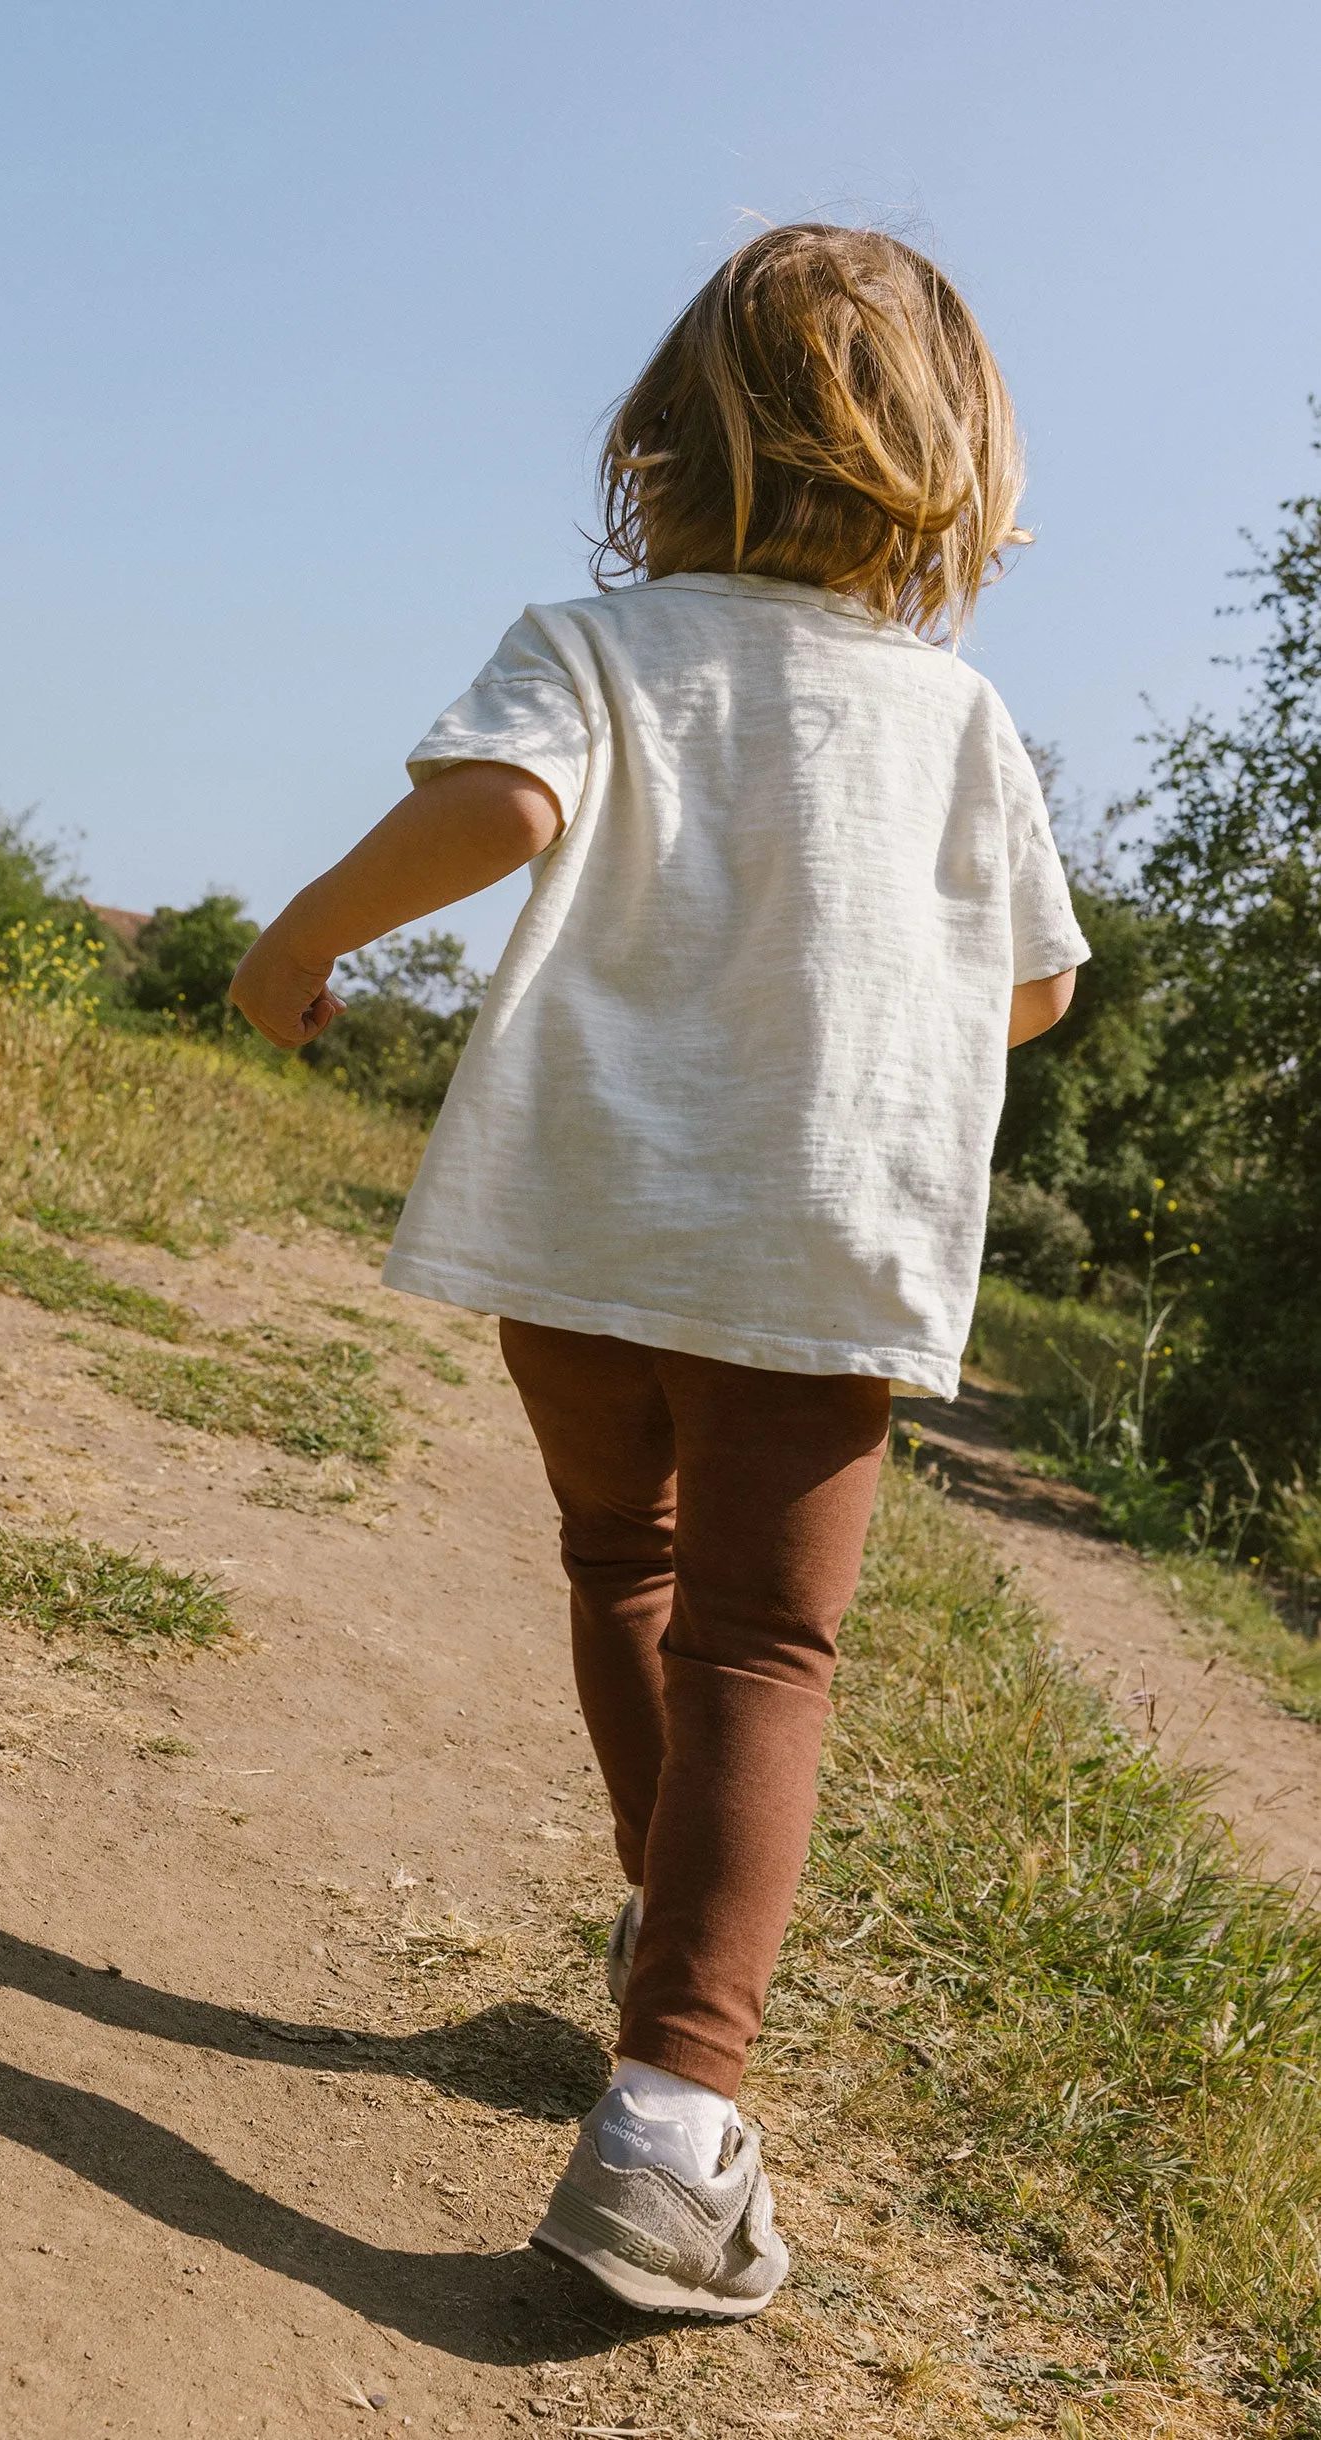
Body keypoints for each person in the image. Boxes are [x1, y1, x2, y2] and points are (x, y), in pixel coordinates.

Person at [229, 222, 1087, 2317]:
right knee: (764, 1653)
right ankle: (675, 2116)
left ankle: (658, 1931)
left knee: (621, 1553)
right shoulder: (955, 712)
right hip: (818, 1224)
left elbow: (502, 803)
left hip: (591, 1206)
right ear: (947, 462)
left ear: (665, 444)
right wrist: (861, 1019)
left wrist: (301, 941)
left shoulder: (599, 646)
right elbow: (1036, 992)